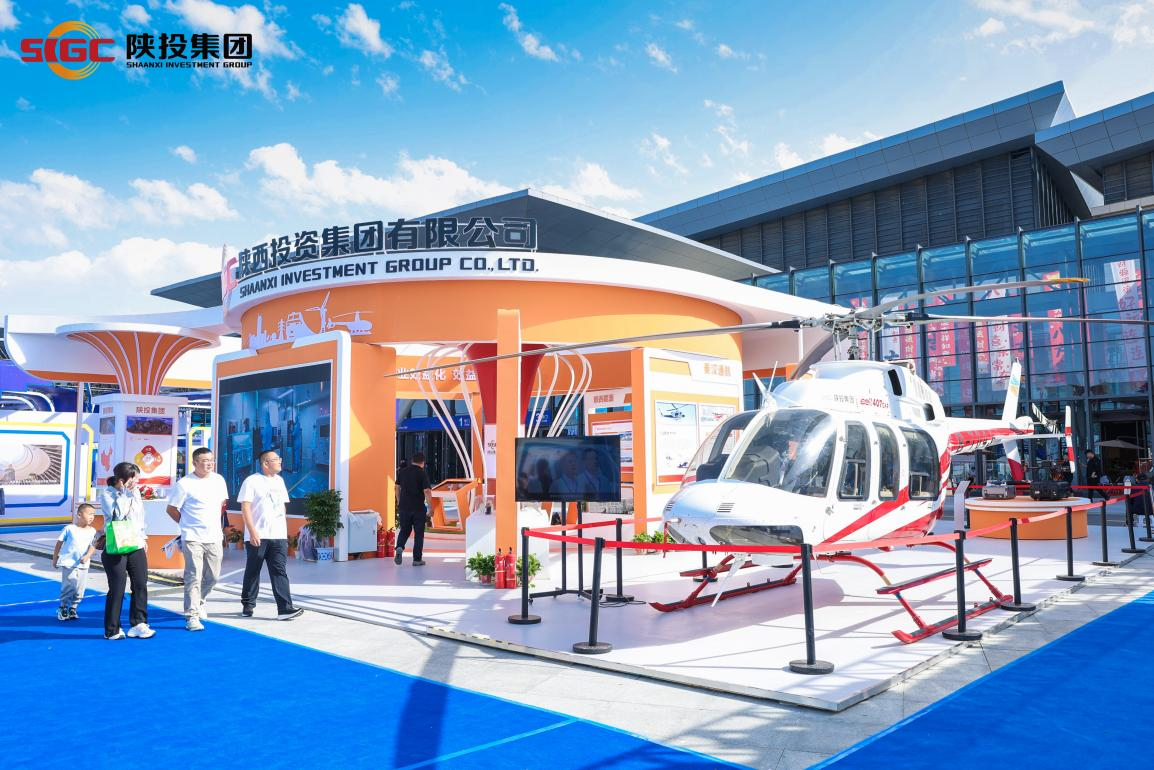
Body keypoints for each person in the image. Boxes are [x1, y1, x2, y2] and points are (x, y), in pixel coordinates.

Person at [166, 447, 229, 632]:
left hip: (214, 536)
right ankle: (191, 616)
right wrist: (185, 525)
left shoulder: (219, 480)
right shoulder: (185, 484)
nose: (209, 463)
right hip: (192, 537)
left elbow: (222, 505)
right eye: (204, 460)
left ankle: (200, 600)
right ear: (194, 463)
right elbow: (171, 509)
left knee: (213, 576)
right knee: (193, 576)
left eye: (211, 460)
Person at [238, 450, 304, 620]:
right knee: (253, 570)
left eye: (279, 458)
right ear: (265, 463)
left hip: (278, 535)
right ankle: (248, 604)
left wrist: (283, 530)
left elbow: (282, 506)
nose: (280, 461)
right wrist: (252, 531)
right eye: (276, 459)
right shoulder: (251, 481)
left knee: (279, 571)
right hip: (258, 535)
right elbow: (245, 507)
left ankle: (285, 609)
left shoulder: (280, 481)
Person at [99, 462, 154, 640]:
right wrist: (124, 493)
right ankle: (112, 629)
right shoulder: (107, 494)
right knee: (117, 587)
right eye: (134, 479)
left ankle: (139, 623)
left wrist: (143, 537)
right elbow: (118, 515)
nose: (137, 483)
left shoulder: (135, 492)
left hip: (135, 544)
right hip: (116, 545)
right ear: (122, 480)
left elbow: (139, 517)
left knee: (140, 583)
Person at [51, 503, 98, 621]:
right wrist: (55, 558)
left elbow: (93, 545)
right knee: (69, 585)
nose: (92, 517)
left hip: (83, 564)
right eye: (89, 514)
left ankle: (73, 607)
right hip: (68, 562)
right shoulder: (70, 528)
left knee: (79, 588)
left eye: (93, 514)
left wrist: (87, 556)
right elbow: (59, 543)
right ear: (79, 515)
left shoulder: (92, 531)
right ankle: (63, 607)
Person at [394, 452, 433, 566]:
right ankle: (417, 559)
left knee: (404, 530)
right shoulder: (422, 473)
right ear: (423, 463)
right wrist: (430, 507)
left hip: (404, 507)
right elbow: (427, 491)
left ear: (412, 461)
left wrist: (399, 500)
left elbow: (396, 487)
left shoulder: (403, 472)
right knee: (419, 533)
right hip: (418, 508)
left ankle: (400, 546)